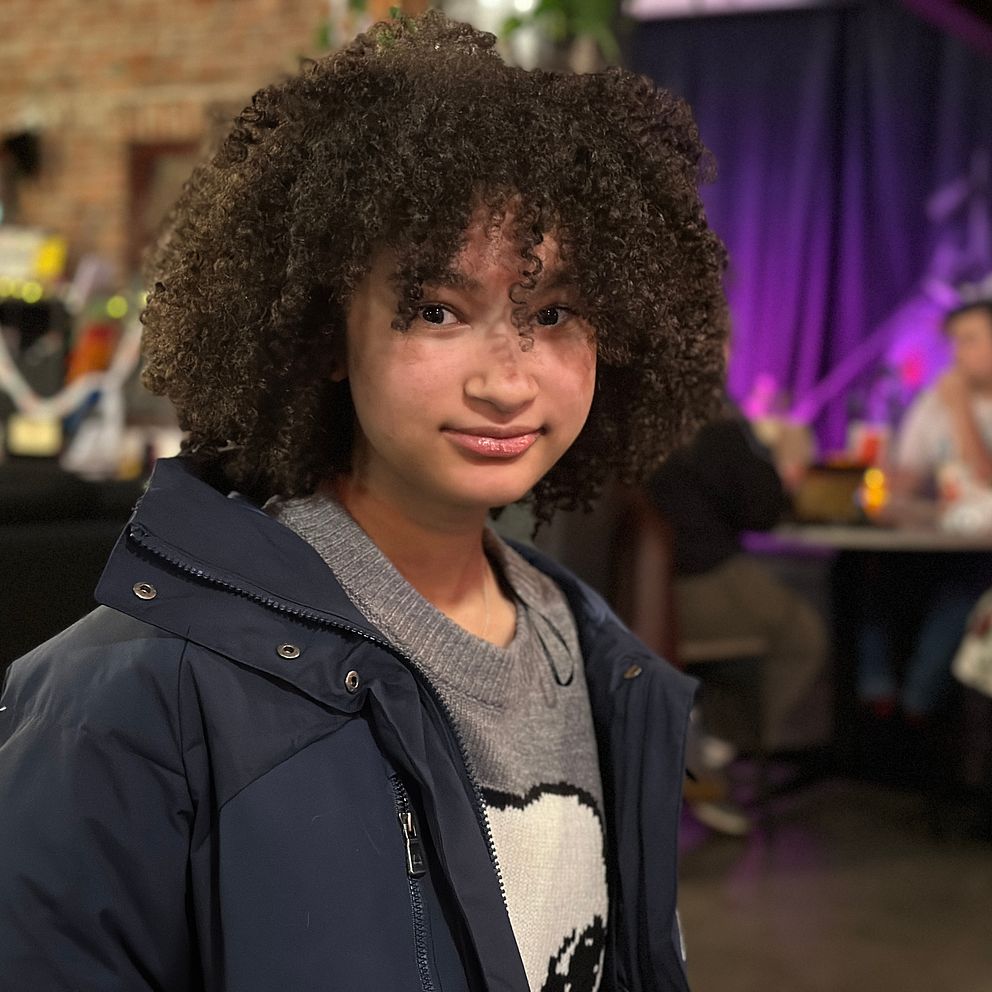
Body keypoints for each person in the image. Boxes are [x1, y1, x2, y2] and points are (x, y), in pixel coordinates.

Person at [0, 13, 727, 992]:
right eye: (437, 310)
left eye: (552, 311)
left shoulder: (592, 652)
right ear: (326, 331)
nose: (507, 381)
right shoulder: (132, 693)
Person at [647, 398, 830, 757]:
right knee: (803, 637)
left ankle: (706, 733)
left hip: (630, 592)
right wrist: (771, 455)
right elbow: (764, 510)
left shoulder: (632, 418)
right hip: (701, 580)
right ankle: (723, 745)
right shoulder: (715, 423)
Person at [856, 300, 992, 726]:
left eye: (969, 340)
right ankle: (877, 696)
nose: (958, 353)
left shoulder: (954, 401)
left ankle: (918, 704)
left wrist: (960, 409)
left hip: (982, 547)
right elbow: (910, 477)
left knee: (966, 583)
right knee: (862, 570)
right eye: (953, 342)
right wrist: (871, 477)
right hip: (939, 533)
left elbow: (985, 476)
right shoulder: (934, 401)